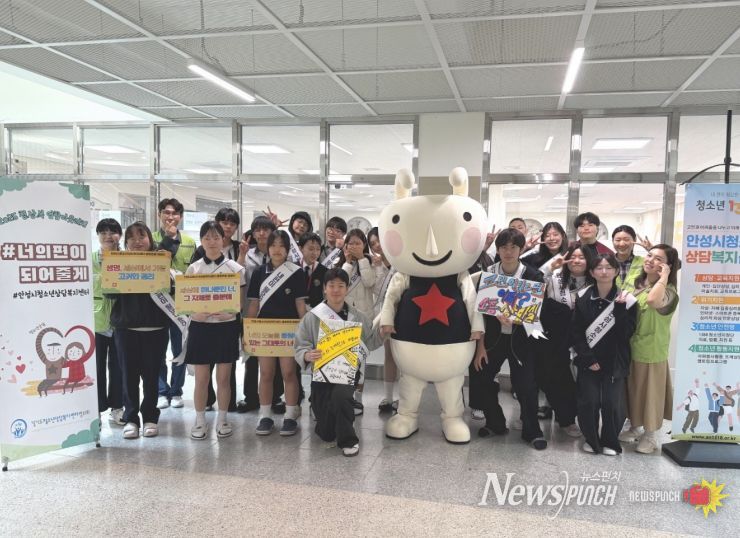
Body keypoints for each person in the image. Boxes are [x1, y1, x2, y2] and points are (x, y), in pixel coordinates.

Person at [295, 268, 383, 456]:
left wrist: (384, 333)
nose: (336, 290)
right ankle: (328, 425)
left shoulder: (357, 316)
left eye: (341, 286)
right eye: (331, 285)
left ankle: (348, 440)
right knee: (326, 433)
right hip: (321, 373)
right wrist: (306, 355)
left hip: (347, 372)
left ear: (347, 289)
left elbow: (371, 341)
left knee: (340, 397)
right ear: (324, 288)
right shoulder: (312, 317)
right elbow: (300, 344)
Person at [473, 228, 547, 450]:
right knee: (482, 378)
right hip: (492, 340)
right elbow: (479, 313)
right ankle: (495, 423)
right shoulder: (488, 274)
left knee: (526, 385)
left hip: (522, 340)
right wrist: (480, 347)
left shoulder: (532, 275)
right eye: (503, 247)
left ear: (521, 249)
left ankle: (532, 430)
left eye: (513, 247)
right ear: (497, 249)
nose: (508, 251)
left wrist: (517, 319)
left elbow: (536, 313)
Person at [185, 221, 247, 440]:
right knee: (201, 378)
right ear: (201, 241)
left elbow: (240, 302)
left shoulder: (236, 268)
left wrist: (231, 313)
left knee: (224, 378)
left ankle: (222, 419)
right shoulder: (194, 268)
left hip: (226, 327)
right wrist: (194, 314)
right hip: (200, 328)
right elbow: (186, 300)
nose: (212, 242)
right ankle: (200, 420)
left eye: (216, 237)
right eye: (207, 238)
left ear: (223, 240)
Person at [110, 222, 171, 440]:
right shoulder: (118, 262)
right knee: (129, 376)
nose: (137, 241)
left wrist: (166, 267)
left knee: (152, 376)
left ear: (150, 239)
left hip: (155, 328)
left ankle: (150, 417)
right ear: (126, 242)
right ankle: (131, 419)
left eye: (142, 236)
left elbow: (171, 291)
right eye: (132, 237)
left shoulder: (161, 261)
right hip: (126, 328)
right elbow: (110, 293)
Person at [572, 254, 636, 455]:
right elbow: (576, 332)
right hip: (589, 360)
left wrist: (619, 309)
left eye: (609, 267)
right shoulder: (583, 297)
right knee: (588, 401)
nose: (604, 271)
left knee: (612, 403)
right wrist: (588, 358)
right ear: (592, 272)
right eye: (599, 268)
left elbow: (626, 334)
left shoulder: (627, 299)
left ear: (616, 271)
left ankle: (610, 441)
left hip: (615, 361)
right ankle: (591, 440)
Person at [619, 244, 680, 454]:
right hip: (630, 346)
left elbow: (653, 300)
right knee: (633, 390)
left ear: (667, 266)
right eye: (649, 255)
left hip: (651, 350)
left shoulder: (669, 291)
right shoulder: (637, 281)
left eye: (658, 259)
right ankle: (635, 427)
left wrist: (664, 277)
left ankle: (651, 435)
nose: (650, 260)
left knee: (650, 394)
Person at [246, 230, 307, 436]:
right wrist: (248, 330)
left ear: (288, 249)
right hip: (265, 331)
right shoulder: (258, 272)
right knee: (266, 373)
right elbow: (254, 304)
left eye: (282, 245)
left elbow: (300, 304)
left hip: (289, 331)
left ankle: (290, 416)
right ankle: (265, 416)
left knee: (289, 373)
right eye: (273, 245)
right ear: (268, 248)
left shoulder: (296, 272)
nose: (277, 249)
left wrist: (304, 332)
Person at [536, 242, 592, 437]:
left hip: (585, 335)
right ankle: (566, 419)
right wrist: (551, 267)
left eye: (581, 257)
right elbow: (535, 284)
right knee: (557, 377)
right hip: (556, 334)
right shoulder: (555, 276)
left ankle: (584, 419)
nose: (576, 261)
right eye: (573, 257)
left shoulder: (595, 280)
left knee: (583, 381)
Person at [152, 198, 196, 410]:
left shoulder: (189, 242)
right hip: (157, 302)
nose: (170, 217)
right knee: (158, 350)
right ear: (159, 214)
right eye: (166, 212)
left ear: (181, 216)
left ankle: (177, 391)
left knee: (181, 349)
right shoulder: (150, 238)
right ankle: (161, 391)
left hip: (181, 304)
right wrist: (167, 239)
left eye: (175, 213)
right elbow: (154, 263)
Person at [236, 215, 277, 414]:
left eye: (266, 229)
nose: (261, 233)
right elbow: (238, 277)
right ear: (252, 233)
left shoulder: (279, 253)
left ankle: (275, 397)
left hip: (274, 313)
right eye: (257, 230)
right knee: (251, 357)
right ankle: (251, 397)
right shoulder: (247, 253)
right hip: (251, 311)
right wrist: (242, 256)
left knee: (274, 356)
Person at [338, 228, 376, 415]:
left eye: (358, 243)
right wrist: (347, 263)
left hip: (364, 318)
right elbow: (340, 286)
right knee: (345, 361)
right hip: (344, 319)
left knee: (360, 361)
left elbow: (369, 282)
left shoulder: (370, 263)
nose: (353, 246)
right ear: (345, 246)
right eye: (350, 243)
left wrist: (362, 259)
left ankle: (358, 399)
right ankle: (345, 397)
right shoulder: (340, 264)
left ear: (364, 245)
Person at [92, 218, 124, 425]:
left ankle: (117, 407)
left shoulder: (126, 258)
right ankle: (95, 409)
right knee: (96, 368)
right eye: (103, 232)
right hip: (96, 320)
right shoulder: (89, 259)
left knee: (119, 367)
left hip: (121, 321)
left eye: (112, 232)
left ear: (119, 235)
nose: (108, 236)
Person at [368, 226, 398, 413]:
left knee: (405, 357)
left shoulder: (401, 261)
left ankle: (406, 399)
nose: (377, 245)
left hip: (403, 315)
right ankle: (388, 397)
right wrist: (379, 267)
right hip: (386, 315)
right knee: (389, 355)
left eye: (379, 240)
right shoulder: (373, 265)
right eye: (372, 243)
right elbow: (376, 291)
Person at [611, 225, 648, 293]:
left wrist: (651, 249)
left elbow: (663, 268)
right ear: (612, 241)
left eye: (626, 240)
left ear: (634, 240)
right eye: (618, 240)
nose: (622, 244)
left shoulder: (645, 262)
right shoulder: (606, 262)